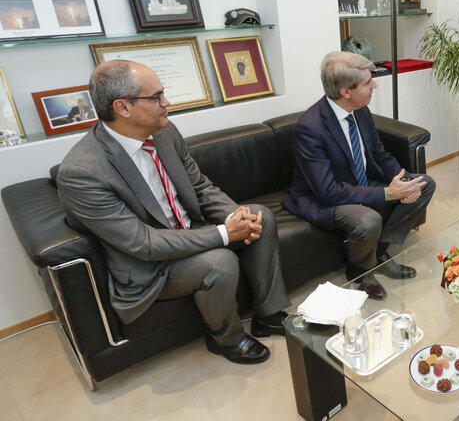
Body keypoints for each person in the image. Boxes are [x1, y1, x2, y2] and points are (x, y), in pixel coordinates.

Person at [57, 60, 290, 365]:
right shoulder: (82, 172)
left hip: (190, 229)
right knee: (218, 262)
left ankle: (269, 314)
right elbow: (144, 244)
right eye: (156, 97)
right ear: (123, 108)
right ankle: (226, 338)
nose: (166, 103)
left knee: (260, 215)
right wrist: (223, 233)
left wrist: (236, 216)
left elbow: (199, 186)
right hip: (151, 265)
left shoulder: (165, 132)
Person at [283, 51, 436, 300]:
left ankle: (378, 254)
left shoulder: (360, 109)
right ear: (346, 91)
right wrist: (388, 193)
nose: (374, 84)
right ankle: (360, 272)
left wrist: (405, 180)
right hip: (324, 198)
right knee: (367, 220)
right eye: (368, 82)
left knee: (425, 183)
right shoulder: (309, 128)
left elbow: (379, 153)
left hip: (359, 183)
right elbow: (328, 191)